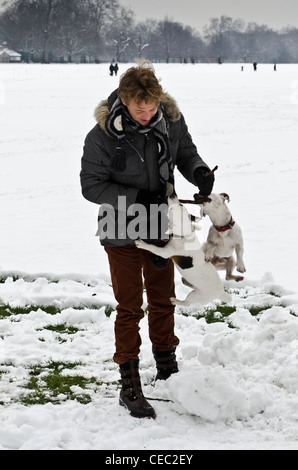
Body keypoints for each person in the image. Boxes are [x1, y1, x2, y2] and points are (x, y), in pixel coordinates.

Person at [80, 61, 214, 418]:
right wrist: (137, 198)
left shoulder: (171, 120)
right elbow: (91, 186)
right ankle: (129, 381)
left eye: (151, 107)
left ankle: (167, 368)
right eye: (139, 109)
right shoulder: (102, 136)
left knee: (162, 298)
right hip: (120, 227)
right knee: (129, 306)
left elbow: (185, 152)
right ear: (124, 100)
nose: (146, 113)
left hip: (161, 223)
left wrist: (199, 171)